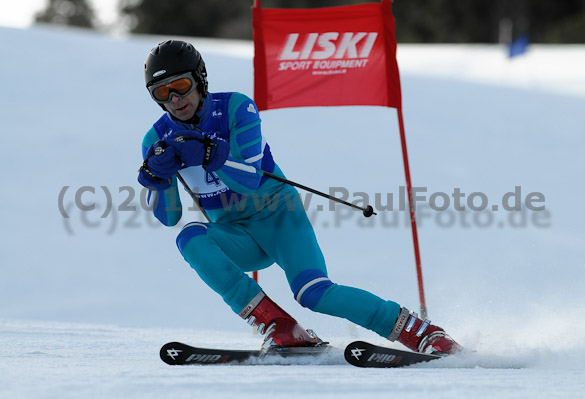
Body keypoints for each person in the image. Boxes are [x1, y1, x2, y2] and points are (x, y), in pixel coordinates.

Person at [137, 40, 462, 355]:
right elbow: (169, 216)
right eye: (162, 92)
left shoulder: (236, 107)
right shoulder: (157, 139)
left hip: (279, 217)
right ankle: (280, 327)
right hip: (237, 235)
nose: (175, 99)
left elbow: (249, 179)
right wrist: (157, 179)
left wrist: (209, 152)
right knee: (188, 237)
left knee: (314, 293)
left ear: (200, 79)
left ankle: (423, 332)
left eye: (181, 85)